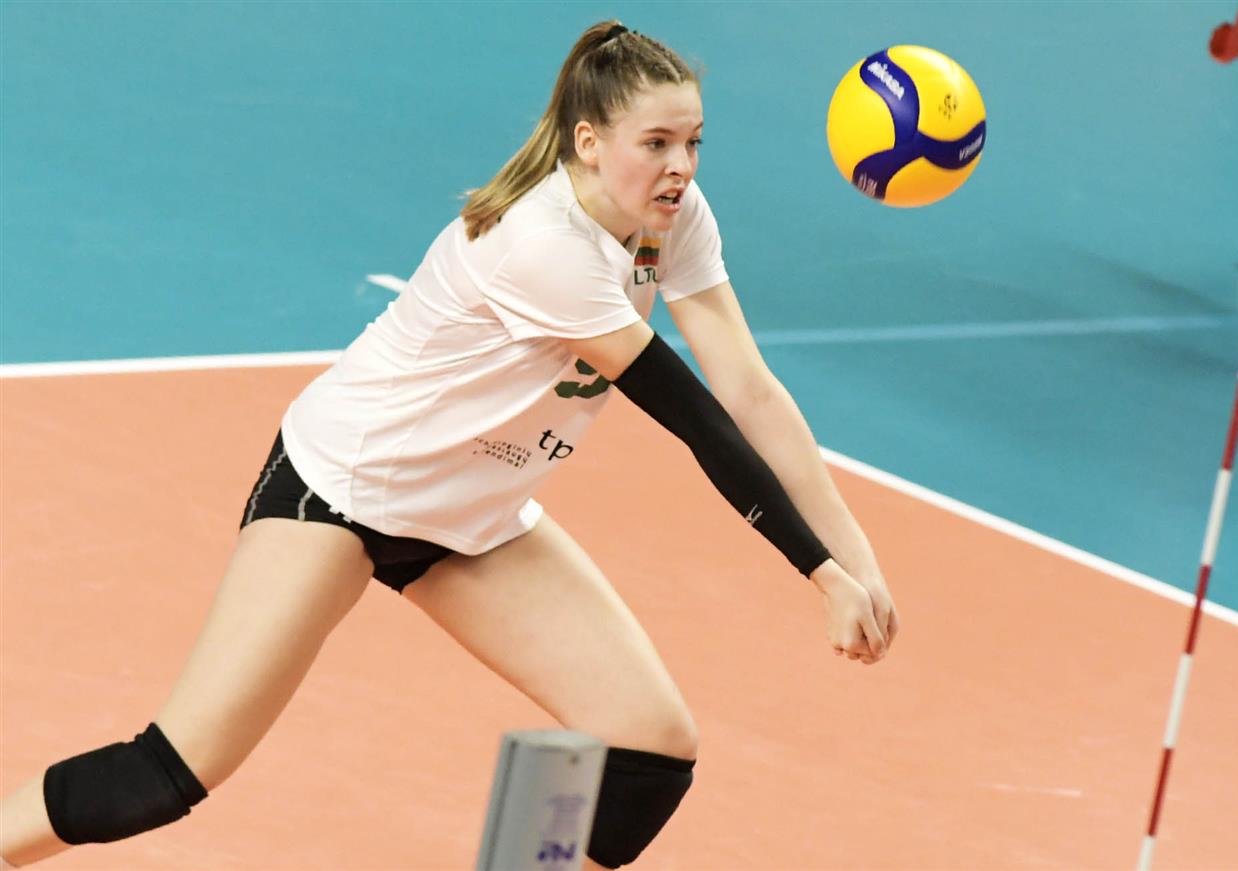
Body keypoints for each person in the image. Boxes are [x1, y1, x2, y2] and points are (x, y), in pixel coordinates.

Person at [0, 20, 898, 870]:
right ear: (589, 142)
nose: (681, 167)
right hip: (344, 492)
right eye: (656, 143)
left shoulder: (672, 217)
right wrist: (818, 571)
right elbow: (697, 417)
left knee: (649, 747)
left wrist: (854, 553)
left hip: (472, 513)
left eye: (693, 142)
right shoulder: (546, 247)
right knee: (168, 773)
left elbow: (749, 390)